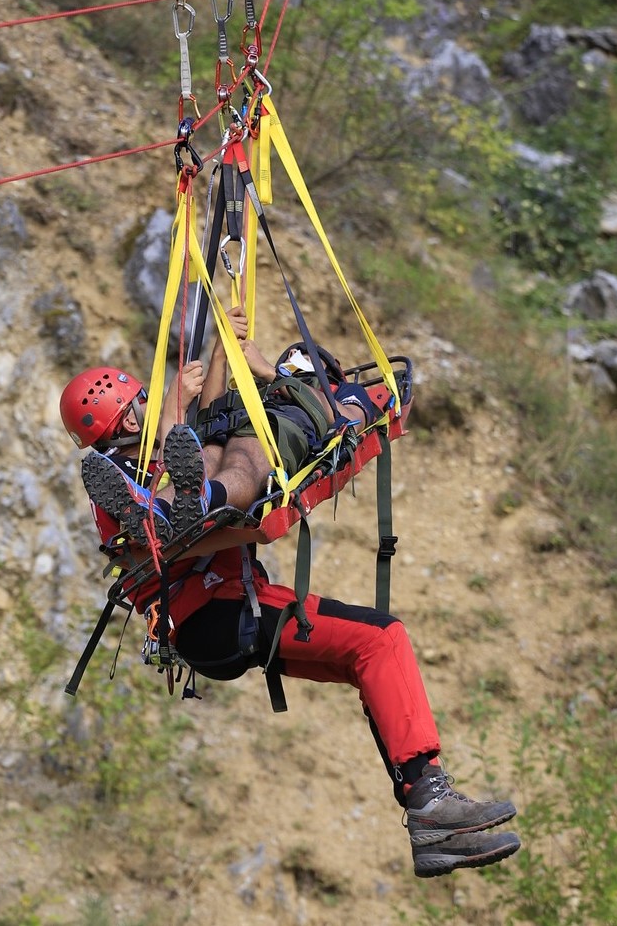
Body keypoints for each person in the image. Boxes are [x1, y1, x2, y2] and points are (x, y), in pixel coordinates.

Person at [59, 318, 522, 879]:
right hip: (219, 610)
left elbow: (206, 432)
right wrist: (259, 520)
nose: (152, 408)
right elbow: (215, 485)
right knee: (380, 638)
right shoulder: (124, 479)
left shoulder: (139, 471)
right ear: (130, 414)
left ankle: (430, 817)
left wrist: (220, 348)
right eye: (142, 403)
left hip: (217, 618)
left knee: (369, 648)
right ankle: (430, 803)